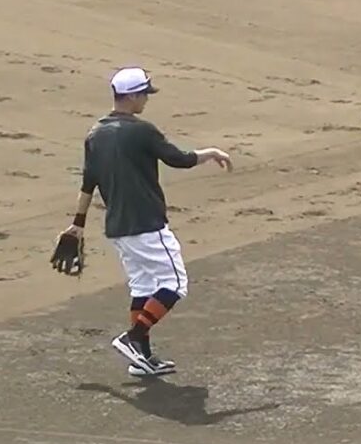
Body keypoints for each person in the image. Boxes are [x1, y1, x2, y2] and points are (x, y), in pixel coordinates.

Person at [55, 66, 232, 377]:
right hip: (146, 224)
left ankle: (143, 359)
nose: (146, 100)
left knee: (144, 286)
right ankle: (133, 338)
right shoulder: (141, 131)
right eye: (144, 95)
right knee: (174, 284)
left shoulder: (95, 134)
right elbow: (179, 159)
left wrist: (78, 223)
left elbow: (88, 182)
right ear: (132, 96)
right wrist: (211, 152)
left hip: (118, 228)